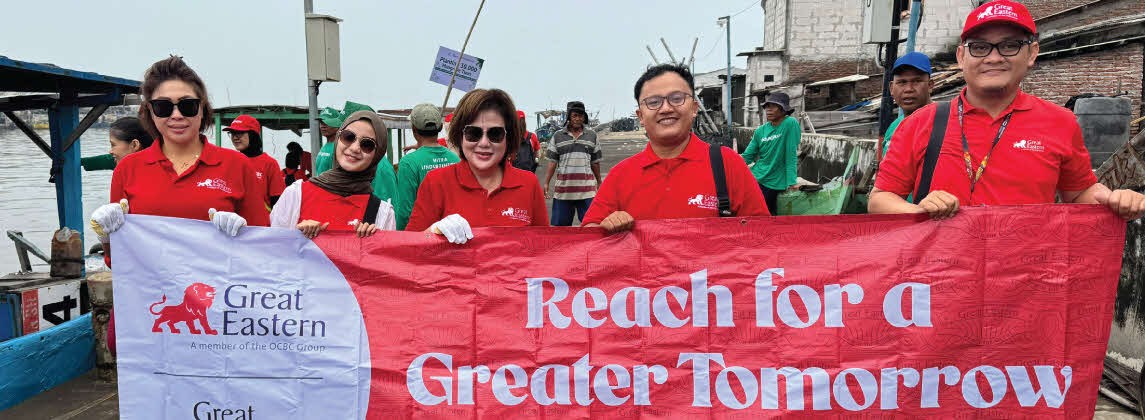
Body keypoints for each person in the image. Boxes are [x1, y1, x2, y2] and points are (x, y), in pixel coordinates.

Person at [871, 0, 1145, 220]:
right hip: (941, 277)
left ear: (1032, 53)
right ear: (961, 56)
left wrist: (1117, 199)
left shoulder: (1060, 122)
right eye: (979, 47)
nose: (994, 57)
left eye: (1010, 45)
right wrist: (919, 212)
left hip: (1023, 276)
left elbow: (1079, 192)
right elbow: (880, 198)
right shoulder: (921, 123)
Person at [88, 56, 269, 353]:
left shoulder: (236, 166)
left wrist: (243, 234)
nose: (176, 115)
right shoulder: (129, 169)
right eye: (163, 107)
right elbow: (119, 259)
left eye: (187, 105)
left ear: (202, 109)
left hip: (220, 312)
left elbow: (264, 250)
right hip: (145, 311)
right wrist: (106, 236)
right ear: (150, 112)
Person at [582, 63, 770, 232]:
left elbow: (761, 234)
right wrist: (605, 227)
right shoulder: (620, 175)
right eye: (653, 102)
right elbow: (587, 234)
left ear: (694, 108)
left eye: (676, 98)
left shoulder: (728, 164)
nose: (665, 109)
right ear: (640, 115)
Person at [405, 88, 548, 243]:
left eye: (495, 134)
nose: (484, 143)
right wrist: (433, 231)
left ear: (509, 138)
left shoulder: (528, 184)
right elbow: (410, 248)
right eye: (473, 133)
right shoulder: (436, 182)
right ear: (460, 136)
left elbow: (543, 248)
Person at [271, 110, 396, 238]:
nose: (354, 148)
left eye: (367, 144)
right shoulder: (296, 195)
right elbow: (273, 249)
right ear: (338, 138)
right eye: (348, 137)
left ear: (378, 154)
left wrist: (372, 242)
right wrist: (296, 235)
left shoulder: (382, 213)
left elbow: (384, 257)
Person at [394, 103, 460, 230]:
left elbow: (405, 211)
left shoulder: (408, 163)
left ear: (413, 129)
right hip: (450, 234)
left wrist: (401, 240)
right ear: (440, 127)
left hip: (421, 237)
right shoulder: (455, 159)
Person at [740, 92, 801, 214]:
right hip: (755, 176)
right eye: (767, 106)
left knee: (763, 214)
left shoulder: (790, 123)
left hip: (773, 181)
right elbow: (747, 157)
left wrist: (792, 182)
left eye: (773, 106)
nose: (769, 109)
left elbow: (790, 155)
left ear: (783, 110)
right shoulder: (760, 131)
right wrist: (727, 162)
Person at [542, 101, 602, 226]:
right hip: (564, 192)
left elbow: (595, 162)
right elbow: (552, 162)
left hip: (587, 191)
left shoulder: (592, 135)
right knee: (561, 231)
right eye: (575, 115)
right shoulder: (557, 136)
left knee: (592, 227)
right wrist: (546, 182)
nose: (578, 119)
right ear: (569, 116)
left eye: (581, 116)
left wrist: (599, 181)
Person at [224, 114, 285, 207]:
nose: (235, 137)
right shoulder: (231, 161)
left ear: (253, 135)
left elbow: (278, 202)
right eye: (232, 133)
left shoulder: (269, 163)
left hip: (260, 220)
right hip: (235, 220)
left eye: (239, 133)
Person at [883, 51, 934, 157]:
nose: (908, 89)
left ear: (930, 85)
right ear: (892, 88)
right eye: (902, 82)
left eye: (916, 81)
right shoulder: (894, 127)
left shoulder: (944, 124)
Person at [80, 117, 156, 171]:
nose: (110, 151)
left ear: (134, 145)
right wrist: (80, 162)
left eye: (113, 145)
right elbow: (106, 160)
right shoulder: (122, 162)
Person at [313, 106, 342, 176]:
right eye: (321, 122)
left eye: (327, 122)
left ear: (337, 125)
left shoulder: (339, 147)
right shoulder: (326, 146)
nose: (322, 126)